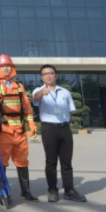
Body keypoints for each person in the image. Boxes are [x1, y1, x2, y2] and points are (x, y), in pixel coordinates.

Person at [0, 54, 39, 202]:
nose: (6, 69)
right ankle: (1, 192)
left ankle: (26, 192)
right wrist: (0, 92)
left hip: (20, 130)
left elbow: (27, 108)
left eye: (8, 66)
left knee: (22, 161)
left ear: (12, 68)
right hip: (4, 130)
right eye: (2, 66)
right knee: (2, 162)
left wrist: (31, 124)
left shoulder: (19, 86)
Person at [33, 64, 87, 203]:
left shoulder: (65, 92)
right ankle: (52, 190)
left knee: (66, 161)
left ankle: (69, 190)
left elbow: (70, 110)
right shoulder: (38, 91)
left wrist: (65, 122)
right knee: (51, 161)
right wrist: (42, 93)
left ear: (56, 75)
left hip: (64, 128)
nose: (48, 75)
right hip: (48, 128)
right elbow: (36, 99)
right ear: (41, 77)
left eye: (51, 73)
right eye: (45, 74)